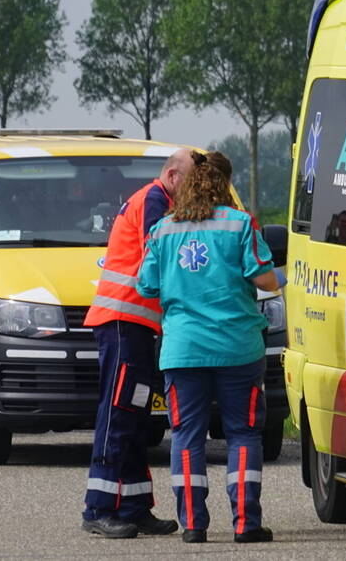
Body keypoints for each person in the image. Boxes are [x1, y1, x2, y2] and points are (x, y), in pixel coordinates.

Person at [137, 151, 279, 544]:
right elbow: (267, 281)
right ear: (223, 185)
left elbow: (146, 285)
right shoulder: (239, 225)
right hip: (238, 348)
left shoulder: (164, 230)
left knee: (185, 435)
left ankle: (193, 525)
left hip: (183, 351)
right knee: (244, 434)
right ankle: (246, 524)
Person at [80, 149, 194, 539]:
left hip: (136, 325)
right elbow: (159, 254)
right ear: (174, 175)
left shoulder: (158, 199)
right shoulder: (155, 201)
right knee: (117, 413)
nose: (194, 190)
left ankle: (134, 505)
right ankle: (98, 508)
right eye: (192, 182)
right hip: (122, 323)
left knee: (133, 414)